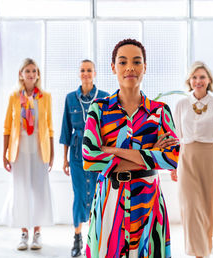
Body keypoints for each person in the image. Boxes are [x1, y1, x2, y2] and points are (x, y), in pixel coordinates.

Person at [82, 38, 180, 258]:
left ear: (145, 67)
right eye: (123, 61)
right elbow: (89, 158)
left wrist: (111, 150)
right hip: (109, 200)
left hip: (148, 200)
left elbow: (172, 158)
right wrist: (149, 154)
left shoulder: (160, 111)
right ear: (113, 67)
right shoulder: (99, 109)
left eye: (137, 62)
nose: (130, 68)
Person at [173, 61, 213, 258]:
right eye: (194, 77)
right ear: (189, 81)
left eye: (202, 77)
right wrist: (174, 165)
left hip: (210, 159)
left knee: (207, 209)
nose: (198, 81)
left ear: (209, 81)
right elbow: (176, 138)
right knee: (189, 207)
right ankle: (198, 251)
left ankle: (205, 248)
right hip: (186, 158)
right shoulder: (181, 105)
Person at [2, 58, 54, 251]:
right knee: (21, 189)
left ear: (38, 74)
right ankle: (24, 233)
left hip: (40, 149)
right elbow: (7, 126)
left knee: (39, 190)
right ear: (21, 74)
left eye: (34, 71)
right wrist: (4, 153)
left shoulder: (45, 97)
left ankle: (37, 233)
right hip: (19, 149)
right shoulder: (14, 97)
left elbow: (49, 128)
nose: (31, 74)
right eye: (27, 71)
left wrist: (52, 154)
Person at [59, 59, 109, 257]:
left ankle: (96, 239)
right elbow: (65, 129)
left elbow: (109, 130)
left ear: (95, 73)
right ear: (79, 73)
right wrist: (65, 159)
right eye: (83, 70)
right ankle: (77, 238)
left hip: (98, 153)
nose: (86, 73)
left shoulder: (104, 97)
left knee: (99, 196)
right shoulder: (70, 98)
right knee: (79, 195)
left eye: (89, 70)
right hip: (77, 155)